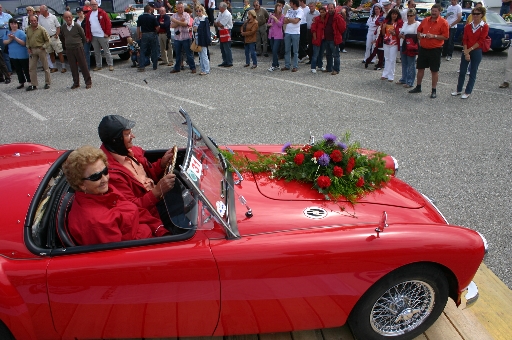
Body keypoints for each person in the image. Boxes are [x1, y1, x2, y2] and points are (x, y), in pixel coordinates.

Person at [62, 146, 169, 246]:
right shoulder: (96, 222)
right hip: (148, 248)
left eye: (105, 171)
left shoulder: (104, 192)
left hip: (155, 233)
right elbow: (120, 257)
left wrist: (160, 231)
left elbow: (136, 210)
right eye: (95, 177)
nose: (104, 179)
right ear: (81, 184)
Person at [97, 115, 186, 234]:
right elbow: (132, 208)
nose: (133, 137)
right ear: (116, 140)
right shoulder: (111, 175)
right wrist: (157, 191)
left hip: (155, 197)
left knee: (178, 178)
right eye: (128, 134)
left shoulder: (130, 151)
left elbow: (146, 175)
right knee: (176, 188)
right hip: (151, 211)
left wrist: (161, 164)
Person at [408, 4, 448, 98]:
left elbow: (446, 37)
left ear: (439, 12)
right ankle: (418, 87)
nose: (433, 13)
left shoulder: (443, 22)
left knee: (434, 70)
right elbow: (419, 30)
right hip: (423, 48)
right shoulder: (426, 20)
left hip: (435, 49)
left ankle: (433, 90)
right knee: (420, 68)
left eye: (435, 11)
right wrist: (419, 35)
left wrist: (434, 36)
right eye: (432, 11)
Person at [452, 6, 488, 99]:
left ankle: (468, 91)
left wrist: (469, 50)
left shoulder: (484, 26)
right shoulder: (468, 26)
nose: (475, 16)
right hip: (467, 49)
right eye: (474, 14)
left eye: (477, 14)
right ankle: (458, 89)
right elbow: (465, 39)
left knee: (473, 72)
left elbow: (481, 40)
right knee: (462, 71)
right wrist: (466, 52)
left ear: (482, 15)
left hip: (476, 50)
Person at [61, 11, 92, 89]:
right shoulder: (63, 27)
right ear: (64, 18)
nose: (68, 19)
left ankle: (88, 82)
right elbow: (62, 37)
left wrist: (80, 45)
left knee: (83, 65)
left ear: (72, 17)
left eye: (69, 17)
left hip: (78, 48)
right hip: (69, 49)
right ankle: (76, 83)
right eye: (66, 17)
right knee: (73, 66)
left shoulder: (77, 26)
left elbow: (83, 37)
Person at [85, 0, 114, 71]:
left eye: (95, 4)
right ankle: (98, 65)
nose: (94, 5)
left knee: (106, 51)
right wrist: (88, 36)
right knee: (97, 52)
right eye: (92, 4)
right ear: (90, 6)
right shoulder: (89, 14)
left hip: (102, 36)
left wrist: (107, 33)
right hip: (94, 36)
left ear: (97, 4)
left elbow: (108, 23)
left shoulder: (102, 13)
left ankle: (110, 65)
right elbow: (87, 26)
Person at [26, 15, 51, 91]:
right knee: (31, 68)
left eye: (34, 20)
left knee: (45, 67)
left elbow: (48, 40)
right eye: (31, 20)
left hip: (40, 49)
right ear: (29, 21)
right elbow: (27, 39)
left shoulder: (41, 29)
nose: (33, 22)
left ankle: (47, 83)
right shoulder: (28, 29)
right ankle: (34, 84)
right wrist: (28, 47)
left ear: (37, 20)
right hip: (32, 50)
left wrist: (43, 47)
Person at [38, 5, 66, 73]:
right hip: (46, 38)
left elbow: (58, 26)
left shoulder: (53, 17)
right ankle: (54, 67)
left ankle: (63, 67)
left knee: (59, 52)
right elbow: (39, 28)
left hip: (54, 37)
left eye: (41, 10)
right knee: (51, 53)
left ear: (45, 10)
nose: (40, 11)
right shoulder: (40, 17)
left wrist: (57, 34)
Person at [170, 2, 196, 73]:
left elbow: (186, 24)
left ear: (183, 8)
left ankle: (192, 67)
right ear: (176, 8)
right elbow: (172, 26)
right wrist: (180, 22)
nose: (180, 9)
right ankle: (177, 68)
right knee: (178, 54)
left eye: (181, 7)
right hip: (177, 38)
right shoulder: (174, 15)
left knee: (189, 54)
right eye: (178, 8)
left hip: (186, 37)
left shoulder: (186, 15)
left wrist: (175, 21)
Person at [3, 18, 29, 87]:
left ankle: (29, 81)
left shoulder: (21, 32)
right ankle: (21, 82)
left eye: (15, 24)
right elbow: (4, 42)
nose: (13, 25)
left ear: (17, 25)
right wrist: (10, 39)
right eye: (12, 24)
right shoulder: (7, 32)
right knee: (18, 69)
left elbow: (24, 43)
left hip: (22, 54)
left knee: (26, 68)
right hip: (13, 54)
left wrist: (15, 38)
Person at [397, 8, 419, 88]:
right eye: (408, 16)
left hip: (411, 46)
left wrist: (405, 37)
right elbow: (401, 32)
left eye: (411, 16)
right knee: (404, 63)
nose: (409, 17)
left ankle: (410, 81)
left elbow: (417, 36)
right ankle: (404, 78)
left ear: (414, 16)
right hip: (403, 44)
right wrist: (400, 35)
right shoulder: (405, 23)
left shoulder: (417, 24)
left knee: (411, 64)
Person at [322, 3, 346, 75]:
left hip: (334, 39)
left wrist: (337, 34)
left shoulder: (338, 17)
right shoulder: (327, 16)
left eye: (331, 8)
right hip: (327, 38)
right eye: (329, 8)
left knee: (336, 55)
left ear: (334, 8)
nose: (330, 10)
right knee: (328, 55)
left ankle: (336, 69)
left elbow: (343, 28)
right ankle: (329, 68)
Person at [380, 8, 402, 81]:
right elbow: (383, 34)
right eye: (393, 14)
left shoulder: (399, 22)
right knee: (387, 58)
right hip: (386, 42)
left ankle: (391, 75)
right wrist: (383, 27)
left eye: (395, 14)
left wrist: (395, 33)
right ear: (390, 14)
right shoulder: (386, 21)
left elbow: (400, 33)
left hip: (394, 43)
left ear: (397, 15)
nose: (394, 15)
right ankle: (385, 74)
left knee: (392, 59)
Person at [137, 5, 159, 72]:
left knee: (143, 50)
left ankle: (141, 66)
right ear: (149, 10)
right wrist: (156, 32)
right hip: (152, 34)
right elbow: (157, 27)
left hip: (144, 34)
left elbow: (138, 28)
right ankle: (154, 66)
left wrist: (138, 35)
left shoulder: (140, 17)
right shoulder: (153, 17)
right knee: (154, 50)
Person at [282, 0, 303, 72]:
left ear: (294, 4)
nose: (289, 4)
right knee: (287, 50)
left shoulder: (300, 11)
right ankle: (287, 65)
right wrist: (291, 19)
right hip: (287, 32)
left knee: (295, 51)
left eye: (290, 3)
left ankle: (295, 66)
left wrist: (289, 19)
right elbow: (284, 20)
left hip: (295, 32)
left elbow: (296, 21)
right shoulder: (289, 10)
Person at [193, 5, 211, 75]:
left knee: (204, 55)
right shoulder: (195, 19)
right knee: (200, 55)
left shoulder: (204, 19)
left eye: (199, 11)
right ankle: (202, 69)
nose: (198, 12)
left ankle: (206, 70)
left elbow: (207, 31)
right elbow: (194, 28)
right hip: (197, 38)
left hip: (203, 38)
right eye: (197, 11)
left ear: (202, 11)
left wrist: (208, 40)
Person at [215, 2, 233, 67]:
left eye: (219, 6)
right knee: (222, 47)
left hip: (226, 31)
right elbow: (216, 22)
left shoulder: (227, 14)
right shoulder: (220, 13)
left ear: (222, 7)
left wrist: (219, 23)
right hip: (221, 31)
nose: (218, 8)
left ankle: (229, 61)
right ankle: (225, 61)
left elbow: (221, 24)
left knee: (227, 47)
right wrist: (218, 23)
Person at [267, 2, 285, 72]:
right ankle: (277, 64)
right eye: (279, 7)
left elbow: (280, 25)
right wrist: (269, 24)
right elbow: (267, 23)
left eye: (281, 7)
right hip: (271, 34)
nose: (280, 8)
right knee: (273, 50)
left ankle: (274, 65)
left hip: (278, 36)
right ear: (276, 7)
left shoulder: (282, 16)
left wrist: (275, 18)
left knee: (275, 50)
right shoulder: (271, 14)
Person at [310, 5, 327, 73]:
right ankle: (313, 67)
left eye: (323, 12)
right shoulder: (316, 19)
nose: (322, 13)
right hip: (317, 38)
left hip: (324, 39)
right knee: (315, 54)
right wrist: (315, 38)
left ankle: (320, 66)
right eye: (321, 12)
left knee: (321, 54)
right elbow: (313, 29)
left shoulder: (326, 19)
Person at [0, 3, 12, 75]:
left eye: (0, 7)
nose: (0, 9)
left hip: (9, 37)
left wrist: (3, 25)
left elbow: (12, 23)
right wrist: (4, 24)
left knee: (11, 53)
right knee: (4, 55)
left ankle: (13, 70)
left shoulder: (7, 15)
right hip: (1, 39)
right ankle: (7, 71)